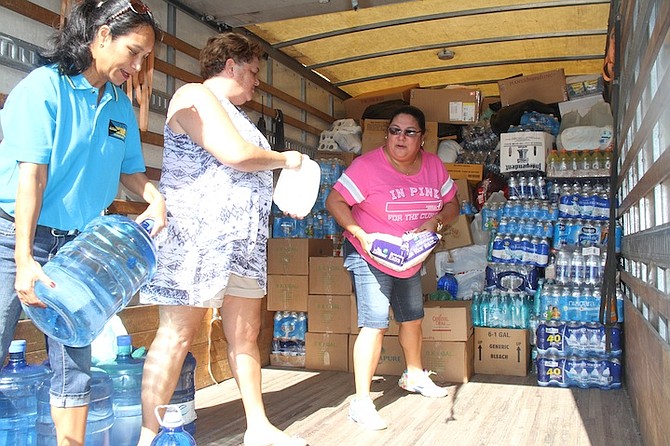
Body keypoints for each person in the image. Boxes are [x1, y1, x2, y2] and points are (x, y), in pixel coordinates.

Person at [0, 0, 166, 444]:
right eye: (132, 52)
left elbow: (130, 171)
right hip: (16, 237)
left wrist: (155, 197)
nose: (136, 65)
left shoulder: (118, 106)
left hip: (77, 249)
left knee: (75, 365)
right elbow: (31, 178)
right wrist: (23, 262)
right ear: (100, 36)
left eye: (143, 58)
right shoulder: (44, 89)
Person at [138, 32, 307, 446]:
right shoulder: (193, 95)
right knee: (177, 335)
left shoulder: (239, 114)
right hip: (196, 239)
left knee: (246, 337)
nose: (256, 82)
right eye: (252, 72)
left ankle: (259, 428)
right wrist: (287, 159)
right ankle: (147, 435)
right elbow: (233, 153)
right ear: (230, 65)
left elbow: (247, 167)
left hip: (243, 246)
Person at [326, 105, 460, 431]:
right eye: (394, 131)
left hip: (408, 255)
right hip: (369, 252)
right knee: (374, 322)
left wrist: (436, 220)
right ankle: (361, 401)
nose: (400, 137)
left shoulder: (433, 166)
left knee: (412, 316)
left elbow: (453, 204)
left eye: (409, 132)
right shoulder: (366, 166)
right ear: (386, 134)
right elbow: (334, 201)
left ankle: (414, 375)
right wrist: (360, 233)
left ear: (422, 139)